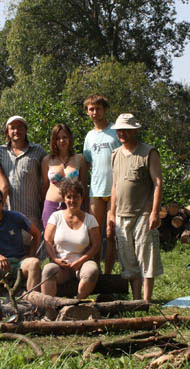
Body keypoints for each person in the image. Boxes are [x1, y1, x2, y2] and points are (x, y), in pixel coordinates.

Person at [107, 113, 163, 303]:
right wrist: (111, 212)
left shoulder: (148, 152)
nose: (122, 134)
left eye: (126, 130)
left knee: (146, 259)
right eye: (119, 130)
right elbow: (114, 186)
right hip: (122, 216)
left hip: (143, 214)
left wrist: (155, 211)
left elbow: (158, 182)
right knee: (128, 261)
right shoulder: (115, 154)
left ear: (135, 130)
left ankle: (147, 301)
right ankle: (136, 300)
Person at [41, 179, 100, 299]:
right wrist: (55, 259)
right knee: (48, 270)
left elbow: (96, 245)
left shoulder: (90, 219)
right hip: (61, 266)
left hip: (82, 264)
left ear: (82, 198)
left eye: (76, 197)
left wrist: (81, 261)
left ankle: (77, 303)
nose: (72, 200)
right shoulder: (55, 217)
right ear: (64, 198)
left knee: (92, 270)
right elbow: (47, 241)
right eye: (69, 197)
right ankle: (49, 310)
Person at [0, 115, 47, 250]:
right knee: (8, 251)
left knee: (30, 252)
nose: (16, 131)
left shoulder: (38, 151)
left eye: (20, 127)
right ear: (7, 131)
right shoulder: (0, 152)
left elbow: (48, 177)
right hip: (6, 212)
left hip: (31, 212)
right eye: (12, 128)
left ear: (25, 130)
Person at [82, 95, 121, 274]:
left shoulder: (115, 130)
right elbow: (88, 161)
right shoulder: (89, 136)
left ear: (105, 110)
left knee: (111, 233)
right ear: (87, 112)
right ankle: (95, 271)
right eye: (91, 109)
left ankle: (109, 273)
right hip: (96, 190)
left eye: (98, 108)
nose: (94, 113)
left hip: (116, 189)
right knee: (95, 234)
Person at [41, 123, 88, 228]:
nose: (62, 141)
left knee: (74, 240)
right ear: (54, 140)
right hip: (52, 205)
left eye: (65, 137)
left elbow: (84, 186)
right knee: (50, 241)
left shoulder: (79, 159)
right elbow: (44, 186)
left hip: (74, 205)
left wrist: (86, 209)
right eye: (58, 138)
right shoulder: (47, 160)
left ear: (70, 138)